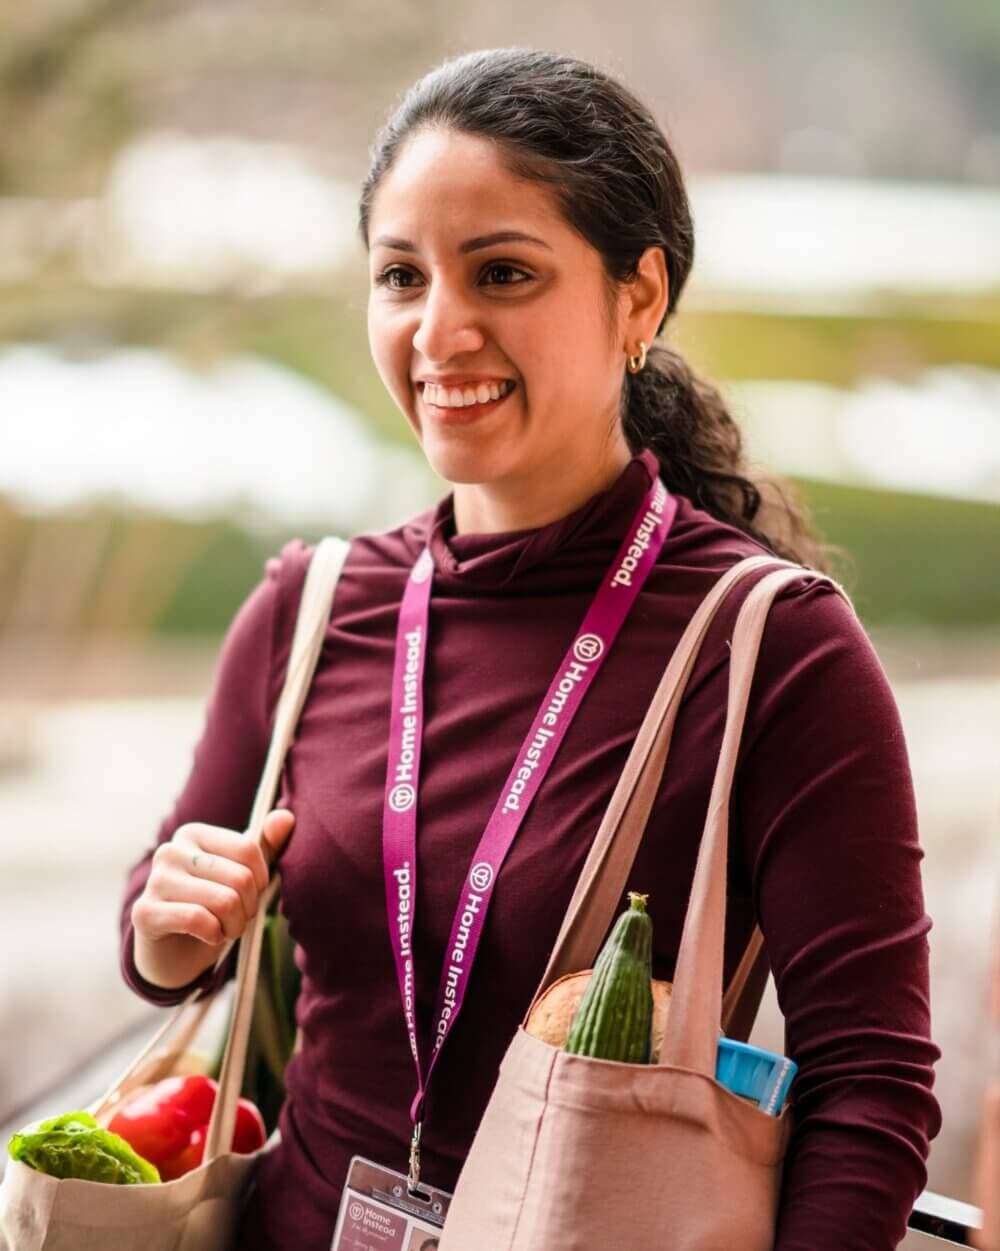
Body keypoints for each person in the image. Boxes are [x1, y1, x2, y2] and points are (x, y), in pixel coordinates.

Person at [119, 48, 942, 1251]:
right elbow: (162, 943)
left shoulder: (773, 648)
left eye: (502, 272)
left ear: (638, 299)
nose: (439, 330)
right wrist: (169, 924)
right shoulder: (312, 608)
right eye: (401, 275)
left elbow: (870, 1087)